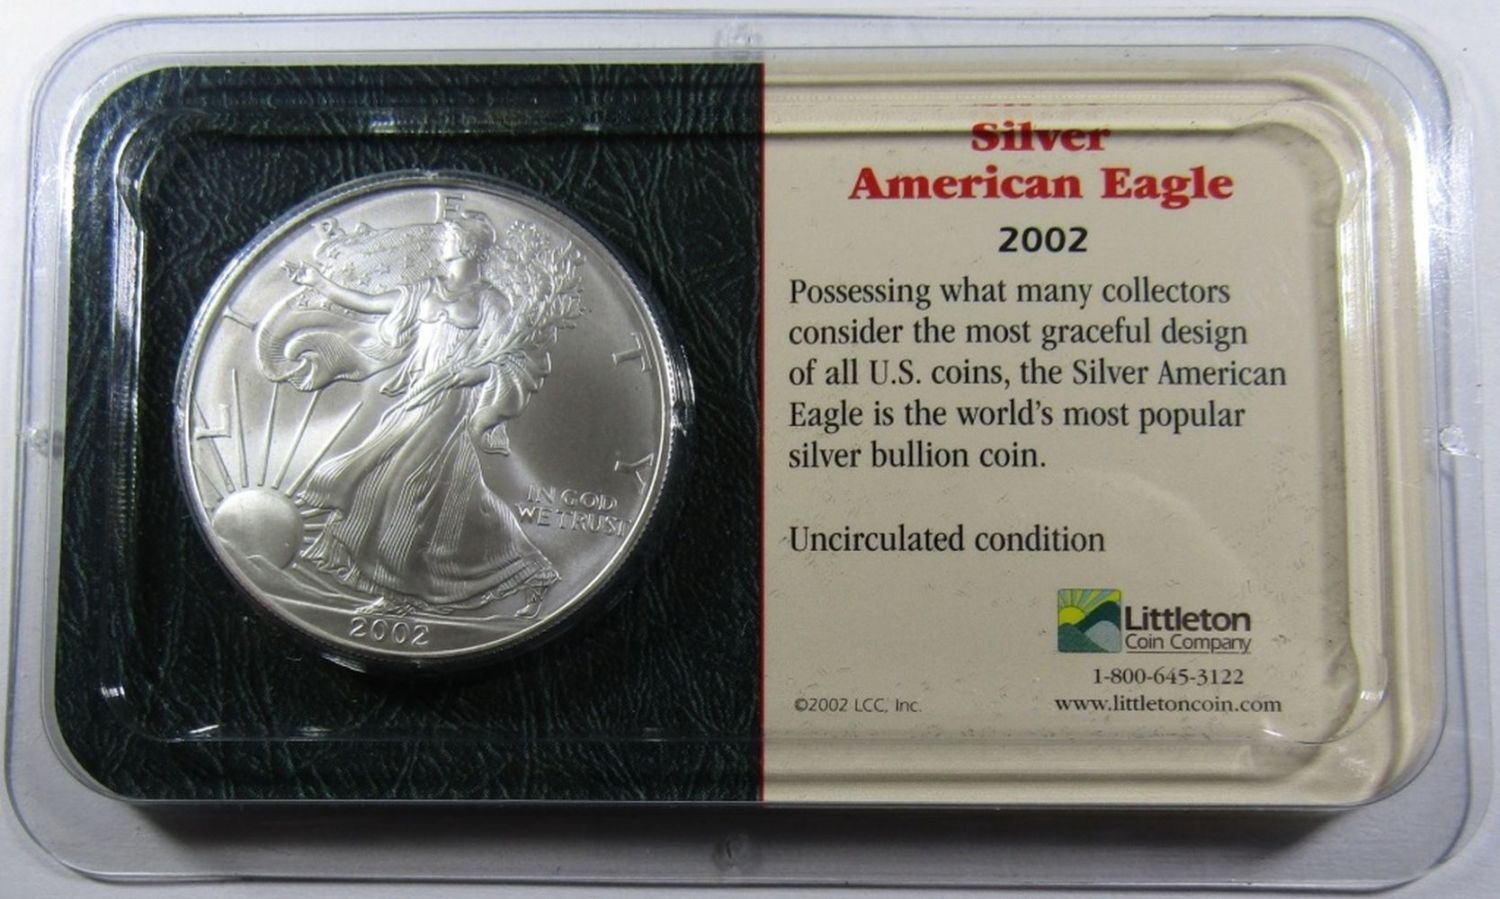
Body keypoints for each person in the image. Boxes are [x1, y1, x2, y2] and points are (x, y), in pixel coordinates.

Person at [264, 211, 563, 617]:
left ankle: (397, 592)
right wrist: (318, 282)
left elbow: (513, 360)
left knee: (404, 480)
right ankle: (527, 570)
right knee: (454, 493)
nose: (442, 242)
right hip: (419, 394)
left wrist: (471, 373)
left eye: (449, 237)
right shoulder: (426, 289)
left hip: (451, 402)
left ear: (467, 246)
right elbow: (370, 304)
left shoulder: (490, 302)